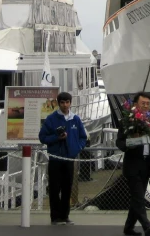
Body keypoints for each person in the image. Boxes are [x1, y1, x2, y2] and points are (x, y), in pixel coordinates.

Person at [116, 93, 150, 236]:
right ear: (136, 104)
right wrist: (130, 144)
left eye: (148, 103)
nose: (145, 106)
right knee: (138, 198)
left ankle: (128, 228)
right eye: (143, 103)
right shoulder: (127, 121)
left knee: (137, 199)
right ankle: (147, 226)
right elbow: (119, 142)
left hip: (146, 165)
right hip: (132, 166)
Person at [38, 92, 88, 225]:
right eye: (62, 102)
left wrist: (77, 148)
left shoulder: (75, 119)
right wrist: (56, 138)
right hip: (55, 159)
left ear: (70, 103)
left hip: (69, 159)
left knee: (67, 188)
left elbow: (83, 137)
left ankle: (65, 216)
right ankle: (55, 217)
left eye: (67, 102)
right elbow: (42, 137)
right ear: (58, 103)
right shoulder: (51, 119)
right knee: (54, 189)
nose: (65, 105)